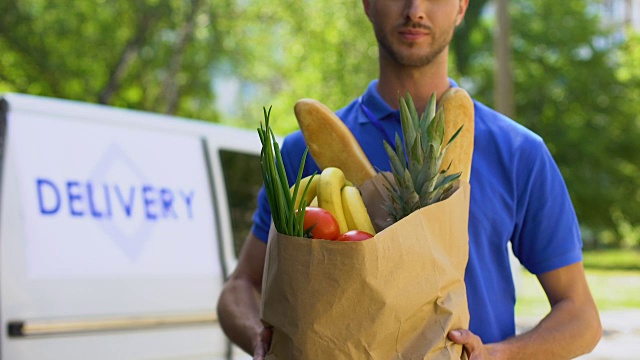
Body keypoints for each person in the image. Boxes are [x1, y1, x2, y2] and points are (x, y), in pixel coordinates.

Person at [217, 0, 603, 358]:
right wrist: (261, 339)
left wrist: (498, 354)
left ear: (462, 6)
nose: (415, 9)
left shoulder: (518, 151)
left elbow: (581, 316)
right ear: (368, 3)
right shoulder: (305, 150)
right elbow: (241, 287)